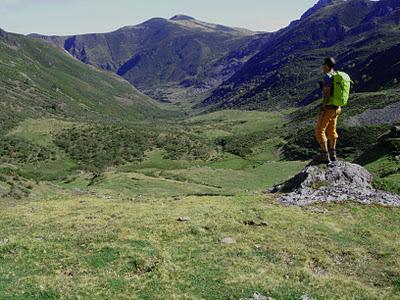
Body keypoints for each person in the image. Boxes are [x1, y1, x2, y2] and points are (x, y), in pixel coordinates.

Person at [314, 57, 341, 163]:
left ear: (326, 66)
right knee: (331, 130)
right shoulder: (336, 75)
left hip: (328, 108)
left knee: (319, 130)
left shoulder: (328, 78)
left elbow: (327, 96)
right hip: (337, 108)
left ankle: (325, 156)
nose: (322, 66)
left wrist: (322, 109)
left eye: (323, 64)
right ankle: (333, 154)